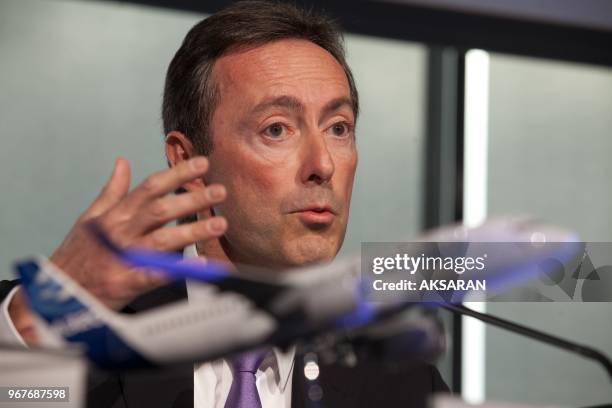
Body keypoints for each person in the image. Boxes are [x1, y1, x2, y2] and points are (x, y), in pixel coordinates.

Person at [0, 1, 449, 407]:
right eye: (277, 129)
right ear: (188, 159)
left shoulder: (401, 386)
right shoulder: (85, 334)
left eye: (338, 127)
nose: (322, 165)